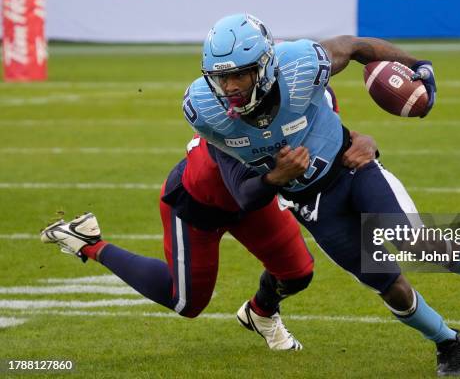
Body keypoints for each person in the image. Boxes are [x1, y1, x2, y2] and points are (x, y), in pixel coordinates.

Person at [178, 13, 460, 376]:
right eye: (220, 77)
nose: (228, 87)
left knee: (420, 241)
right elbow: (243, 196)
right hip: (311, 204)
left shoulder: (301, 64)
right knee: (391, 286)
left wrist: (418, 66)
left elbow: (357, 47)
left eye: (239, 75)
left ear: (264, 67)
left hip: (353, 168)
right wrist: (275, 178)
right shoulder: (208, 114)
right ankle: (448, 343)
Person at [39, 97, 379, 351]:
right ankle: (88, 242)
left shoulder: (298, 100)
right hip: (199, 204)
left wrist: (363, 141)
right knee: (187, 303)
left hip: (255, 197)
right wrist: (279, 176)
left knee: (297, 272)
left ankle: (260, 313)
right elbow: (245, 192)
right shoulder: (227, 120)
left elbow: (334, 130)